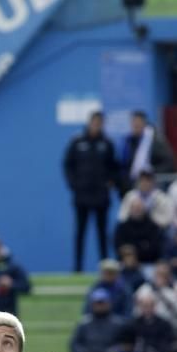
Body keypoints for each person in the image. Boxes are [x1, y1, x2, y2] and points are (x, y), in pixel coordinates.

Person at [62, 111, 118, 272]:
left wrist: (110, 182)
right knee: (80, 232)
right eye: (94, 122)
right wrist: (74, 184)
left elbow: (114, 167)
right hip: (82, 195)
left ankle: (105, 268)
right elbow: (67, 165)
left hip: (101, 195)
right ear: (89, 123)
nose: (96, 125)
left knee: (102, 233)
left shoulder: (107, 143)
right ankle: (78, 268)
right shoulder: (77, 141)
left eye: (99, 122)